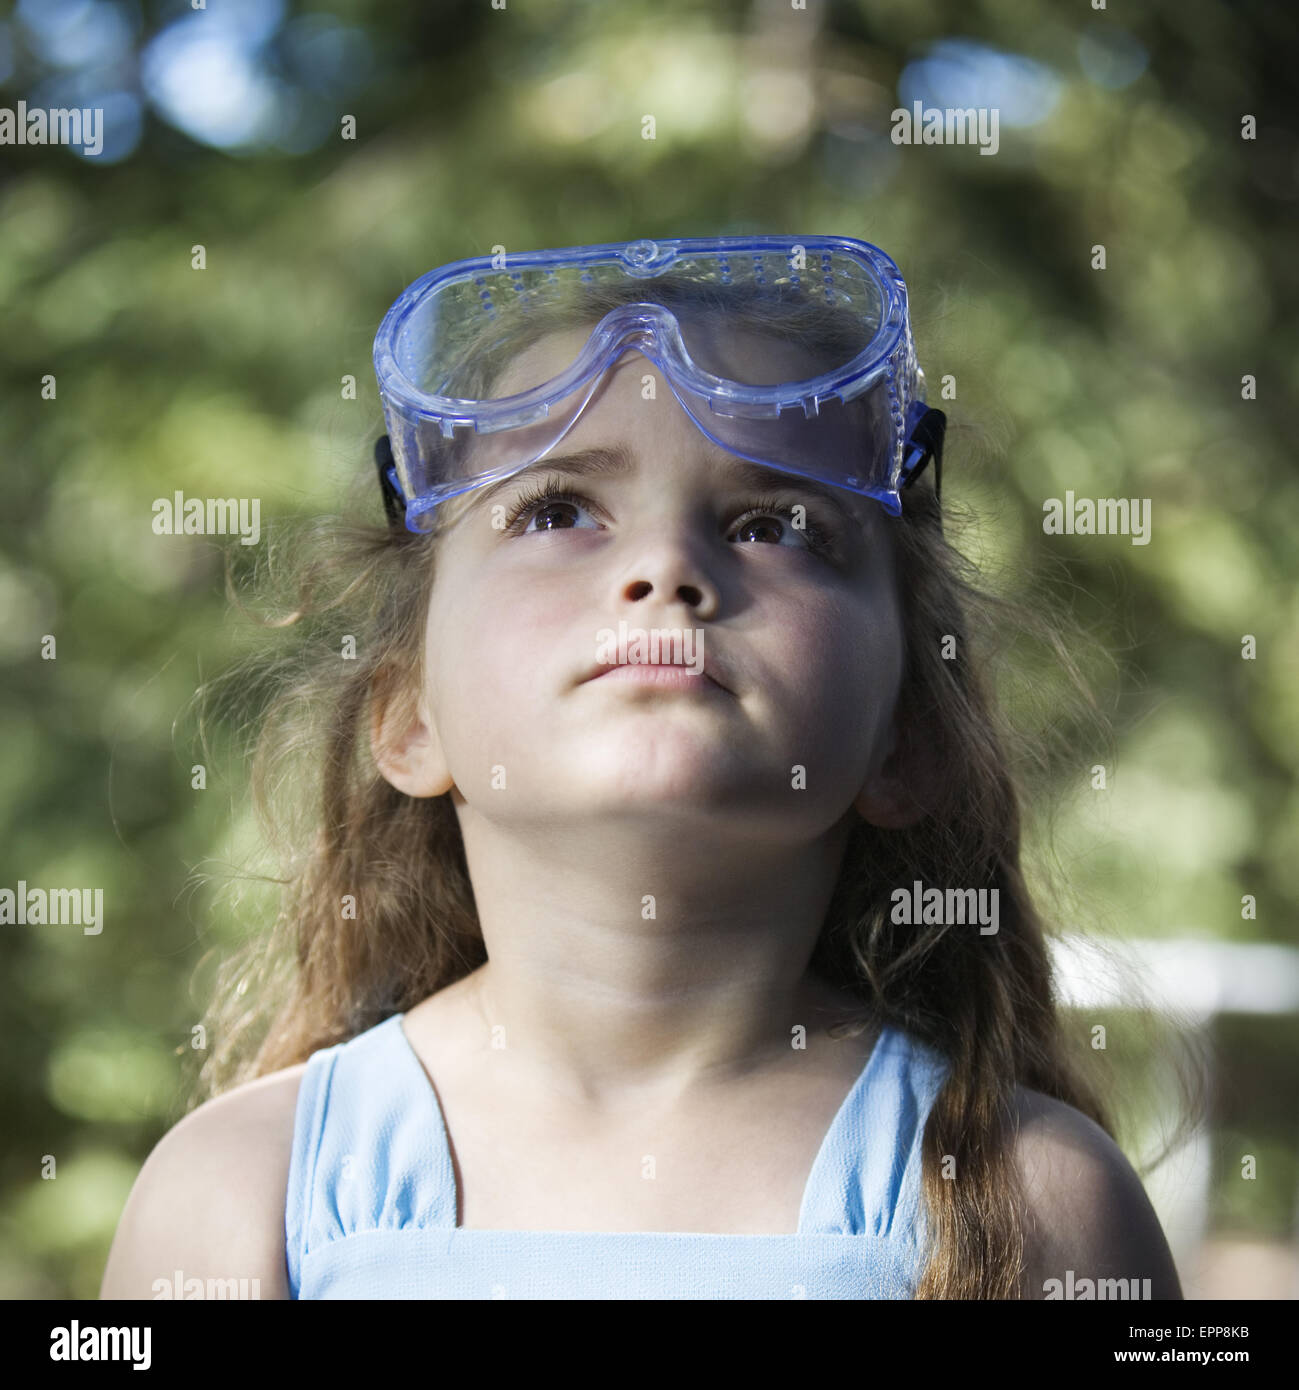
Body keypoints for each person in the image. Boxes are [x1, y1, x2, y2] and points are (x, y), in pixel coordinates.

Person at [101, 235, 1184, 1300]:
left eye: (773, 525)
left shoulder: (1038, 1204)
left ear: (907, 736)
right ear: (409, 718)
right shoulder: (240, 1195)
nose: (666, 566)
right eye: (557, 510)